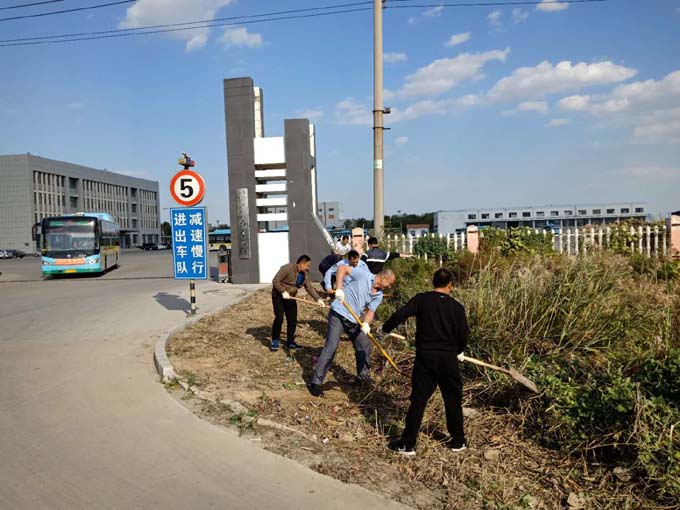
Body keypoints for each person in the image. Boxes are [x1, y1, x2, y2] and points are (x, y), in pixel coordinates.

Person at [379, 267, 470, 456]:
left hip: (426, 358)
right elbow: (463, 334)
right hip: (448, 359)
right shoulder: (457, 307)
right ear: (450, 285)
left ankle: (408, 444)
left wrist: (385, 329)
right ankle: (458, 441)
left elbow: (400, 315)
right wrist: (459, 350)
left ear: (433, 282)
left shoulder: (422, 299)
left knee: (418, 401)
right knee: (452, 400)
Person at [309, 266, 396, 397]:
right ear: (383, 278)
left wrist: (366, 323)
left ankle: (363, 377)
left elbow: (370, 312)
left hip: (353, 320)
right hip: (338, 313)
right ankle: (316, 383)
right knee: (331, 346)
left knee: (364, 343)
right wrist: (339, 288)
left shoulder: (378, 295)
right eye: (390, 283)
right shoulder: (363, 275)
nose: (390, 286)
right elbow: (342, 268)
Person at [271, 255, 324, 352]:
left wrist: (318, 299)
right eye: (307, 265)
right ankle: (275, 340)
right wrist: (283, 291)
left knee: (292, 320)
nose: (308, 268)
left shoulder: (305, 274)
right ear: (301, 264)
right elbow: (275, 281)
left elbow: (309, 287)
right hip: (279, 296)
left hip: (291, 297)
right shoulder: (287, 268)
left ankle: (290, 342)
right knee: (279, 318)